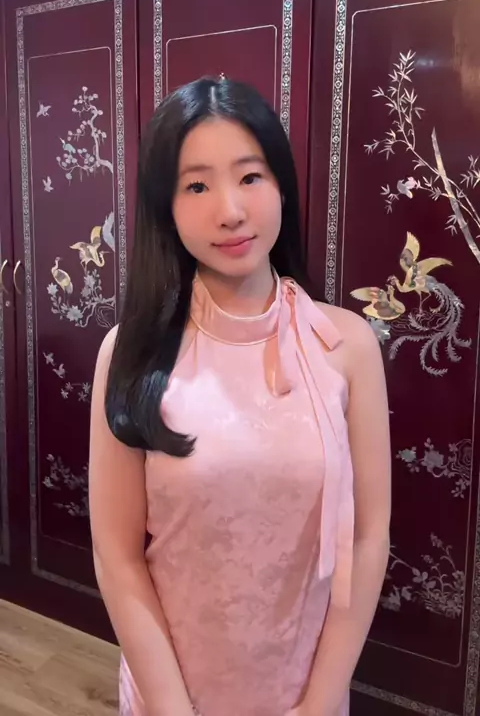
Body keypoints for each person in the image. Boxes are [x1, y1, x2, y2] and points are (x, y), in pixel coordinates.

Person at [88, 77, 391, 716]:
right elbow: (118, 559)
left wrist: (320, 701)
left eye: (250, 177)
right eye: (197, 186)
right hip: (172, 695)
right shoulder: (131, 353)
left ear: (282, 186)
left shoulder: (348, 346)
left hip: (305, 693)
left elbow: (367, 538)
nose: (230, 210)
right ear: (166, 206)